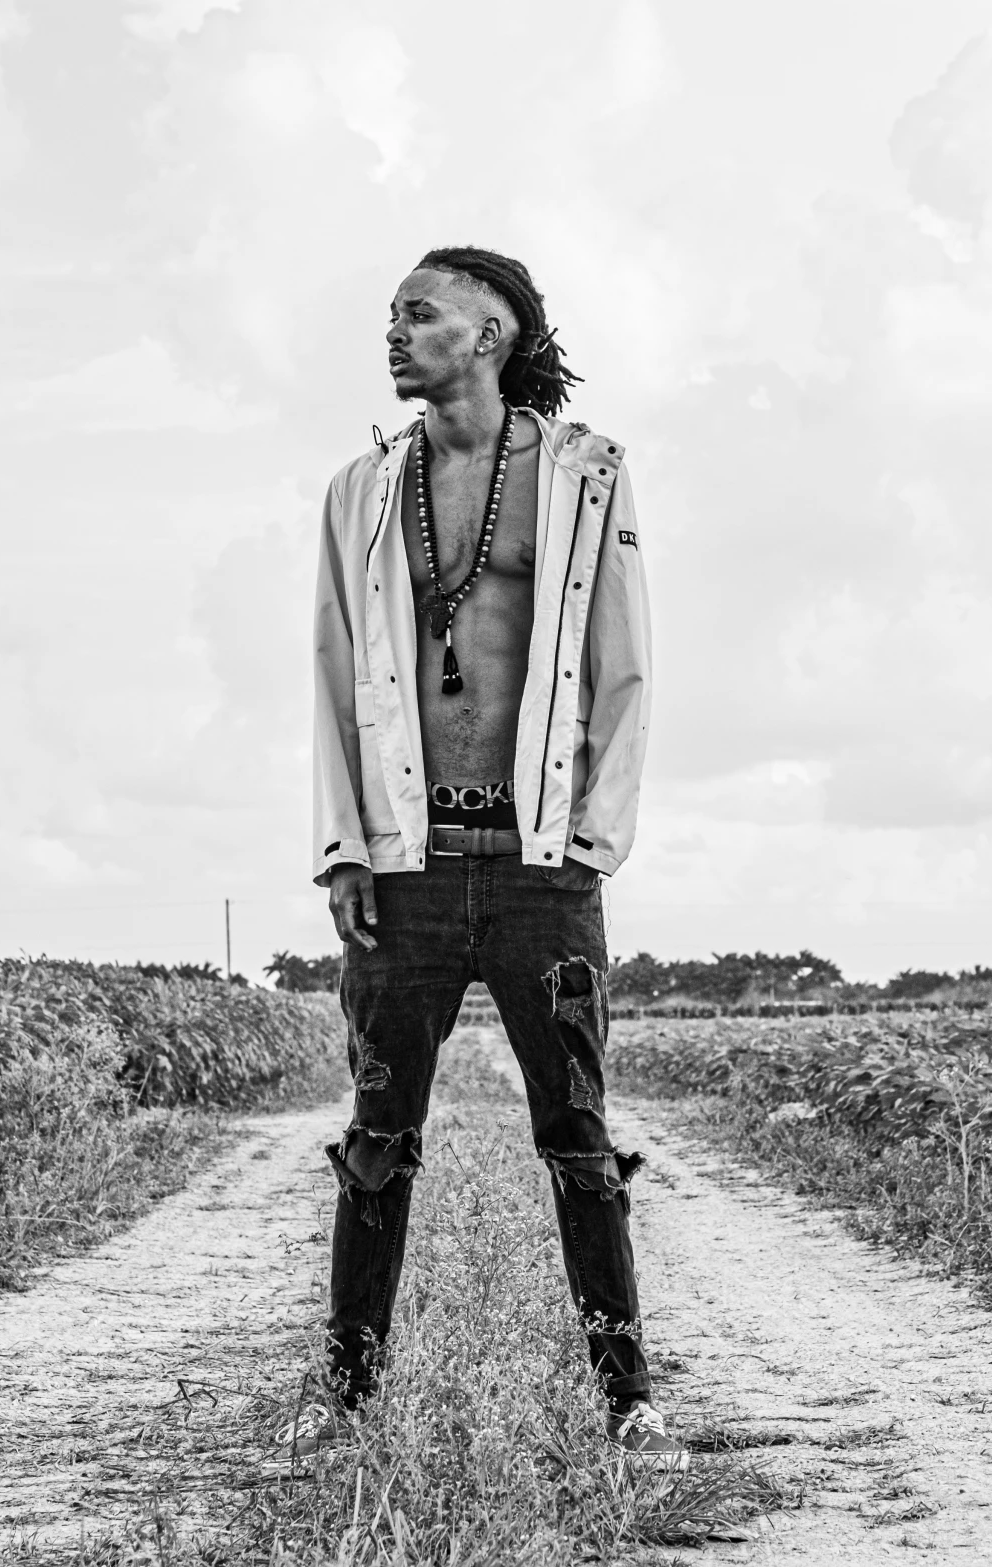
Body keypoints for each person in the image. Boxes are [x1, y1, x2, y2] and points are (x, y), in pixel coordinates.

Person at [296, 246, 682, 1466]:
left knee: (576, 1134)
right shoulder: (362, 490)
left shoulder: (584, 478)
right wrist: (342, 846)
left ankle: (627, 1399)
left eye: (420, 313)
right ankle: (346, 1396)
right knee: (375, 1142)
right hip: (406, 864)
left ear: (494, 329)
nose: (396, 332)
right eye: (393, 316)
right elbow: (329, 668)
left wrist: (590, 843)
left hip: (534, 862)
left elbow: (624, 667)